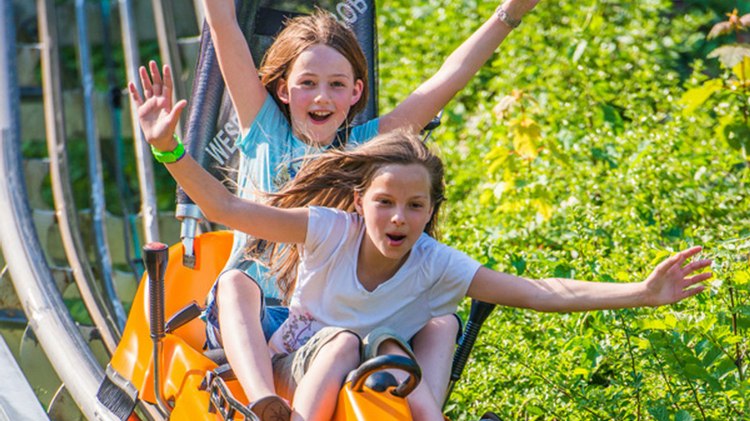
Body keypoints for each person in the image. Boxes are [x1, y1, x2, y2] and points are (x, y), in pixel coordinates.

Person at [127, 101, 713, 419]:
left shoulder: (437, 264)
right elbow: (226, 206)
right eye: (385, 203)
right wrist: (168, 148)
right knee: (325, 333)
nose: (398, 219)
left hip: (371, 370)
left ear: (431, 210)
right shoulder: (331, 229)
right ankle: (273, 415)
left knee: (438, 324)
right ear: (361, 202)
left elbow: (539, 291)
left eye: (414, 205)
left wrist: (642, 290)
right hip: (293, 355)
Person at [132, 0, 542, 417]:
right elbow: (223, 24)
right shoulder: (264, 128)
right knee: (239, 283)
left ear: (355, 92)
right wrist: (166, 144)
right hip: (260, 320)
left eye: (336, 85)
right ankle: (263, 404)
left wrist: (507, 14)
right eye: (308, 83)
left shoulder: (365, 150)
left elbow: (445, 82)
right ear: (284, 90)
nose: (321, 96)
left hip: (332, 322)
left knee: (444, 322)